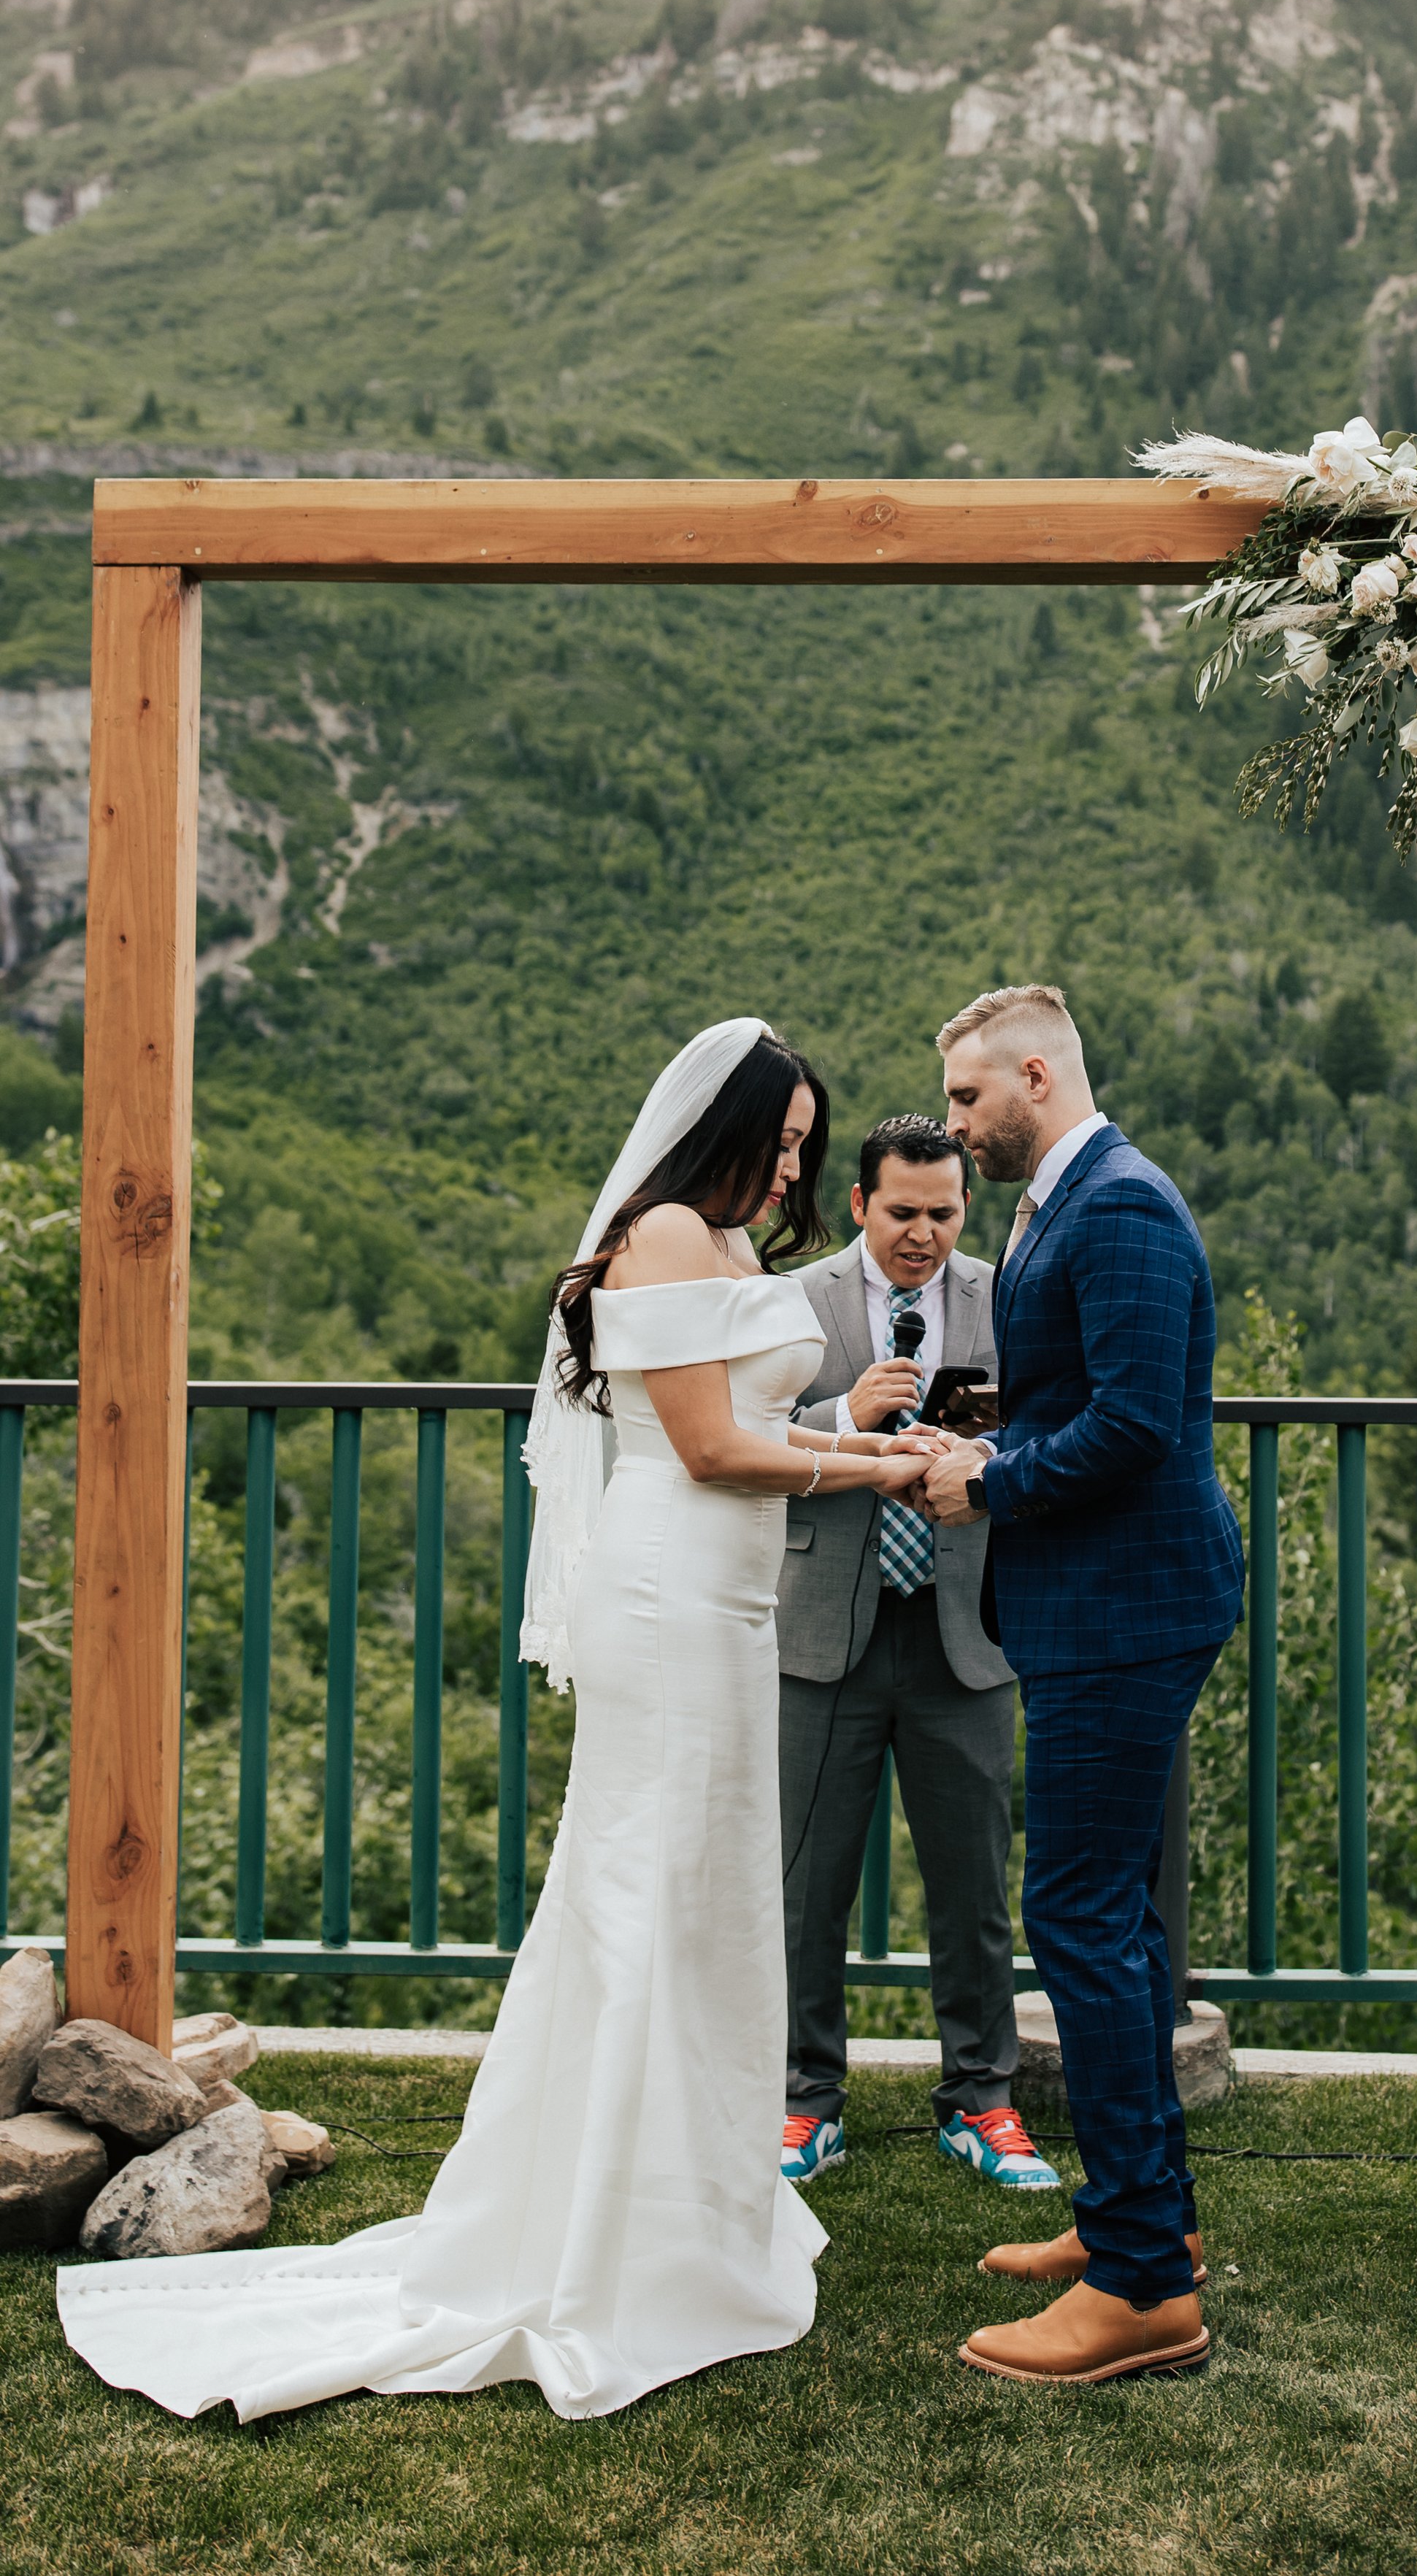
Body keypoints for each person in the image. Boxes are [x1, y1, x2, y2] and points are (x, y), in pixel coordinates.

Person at [57, 1020, 945, 2424]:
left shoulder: (724, 1249)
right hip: (663, 1594)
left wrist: (876, 1444)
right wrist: (873, 1476)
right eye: (777, 1144)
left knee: (712, 1899)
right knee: (642, 1886)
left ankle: (697, 2214)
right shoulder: (658, 1234)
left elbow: (766, 1424)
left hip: (731, 1603)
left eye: (802, 1152)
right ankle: (599, 2236)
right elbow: (710, 1449)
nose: (790, 1172)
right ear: (718, 1129)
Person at [920, 984, 1245, 2387]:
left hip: (1127, 1604)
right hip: (1098, 1600)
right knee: (1107, 1912)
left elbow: (1132, 1424)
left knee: (1078, 1912)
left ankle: (1143, 2285)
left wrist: (985, 1475)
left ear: (1035, 1075)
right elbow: (1088, 1391)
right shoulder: (1062, 1196)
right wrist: (984, 1423)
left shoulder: (1114, 1203)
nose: (953, 1127)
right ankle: (1134, 2221)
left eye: (965, 1101)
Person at [777, 1114, 1058, 2196]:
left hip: (965, 1629)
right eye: (902, 1213)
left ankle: (982, 2101)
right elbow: (741, 1432)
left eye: (943, 1213)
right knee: (806, 1887)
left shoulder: (1005, 1295)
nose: (923, 1234)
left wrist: (980, 1453)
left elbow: (1046, 1425)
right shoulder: (795, 1299)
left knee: (974, 1884)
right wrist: (843, 1414)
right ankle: (805, 2105)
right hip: (819, 1633)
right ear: (859, 1205)